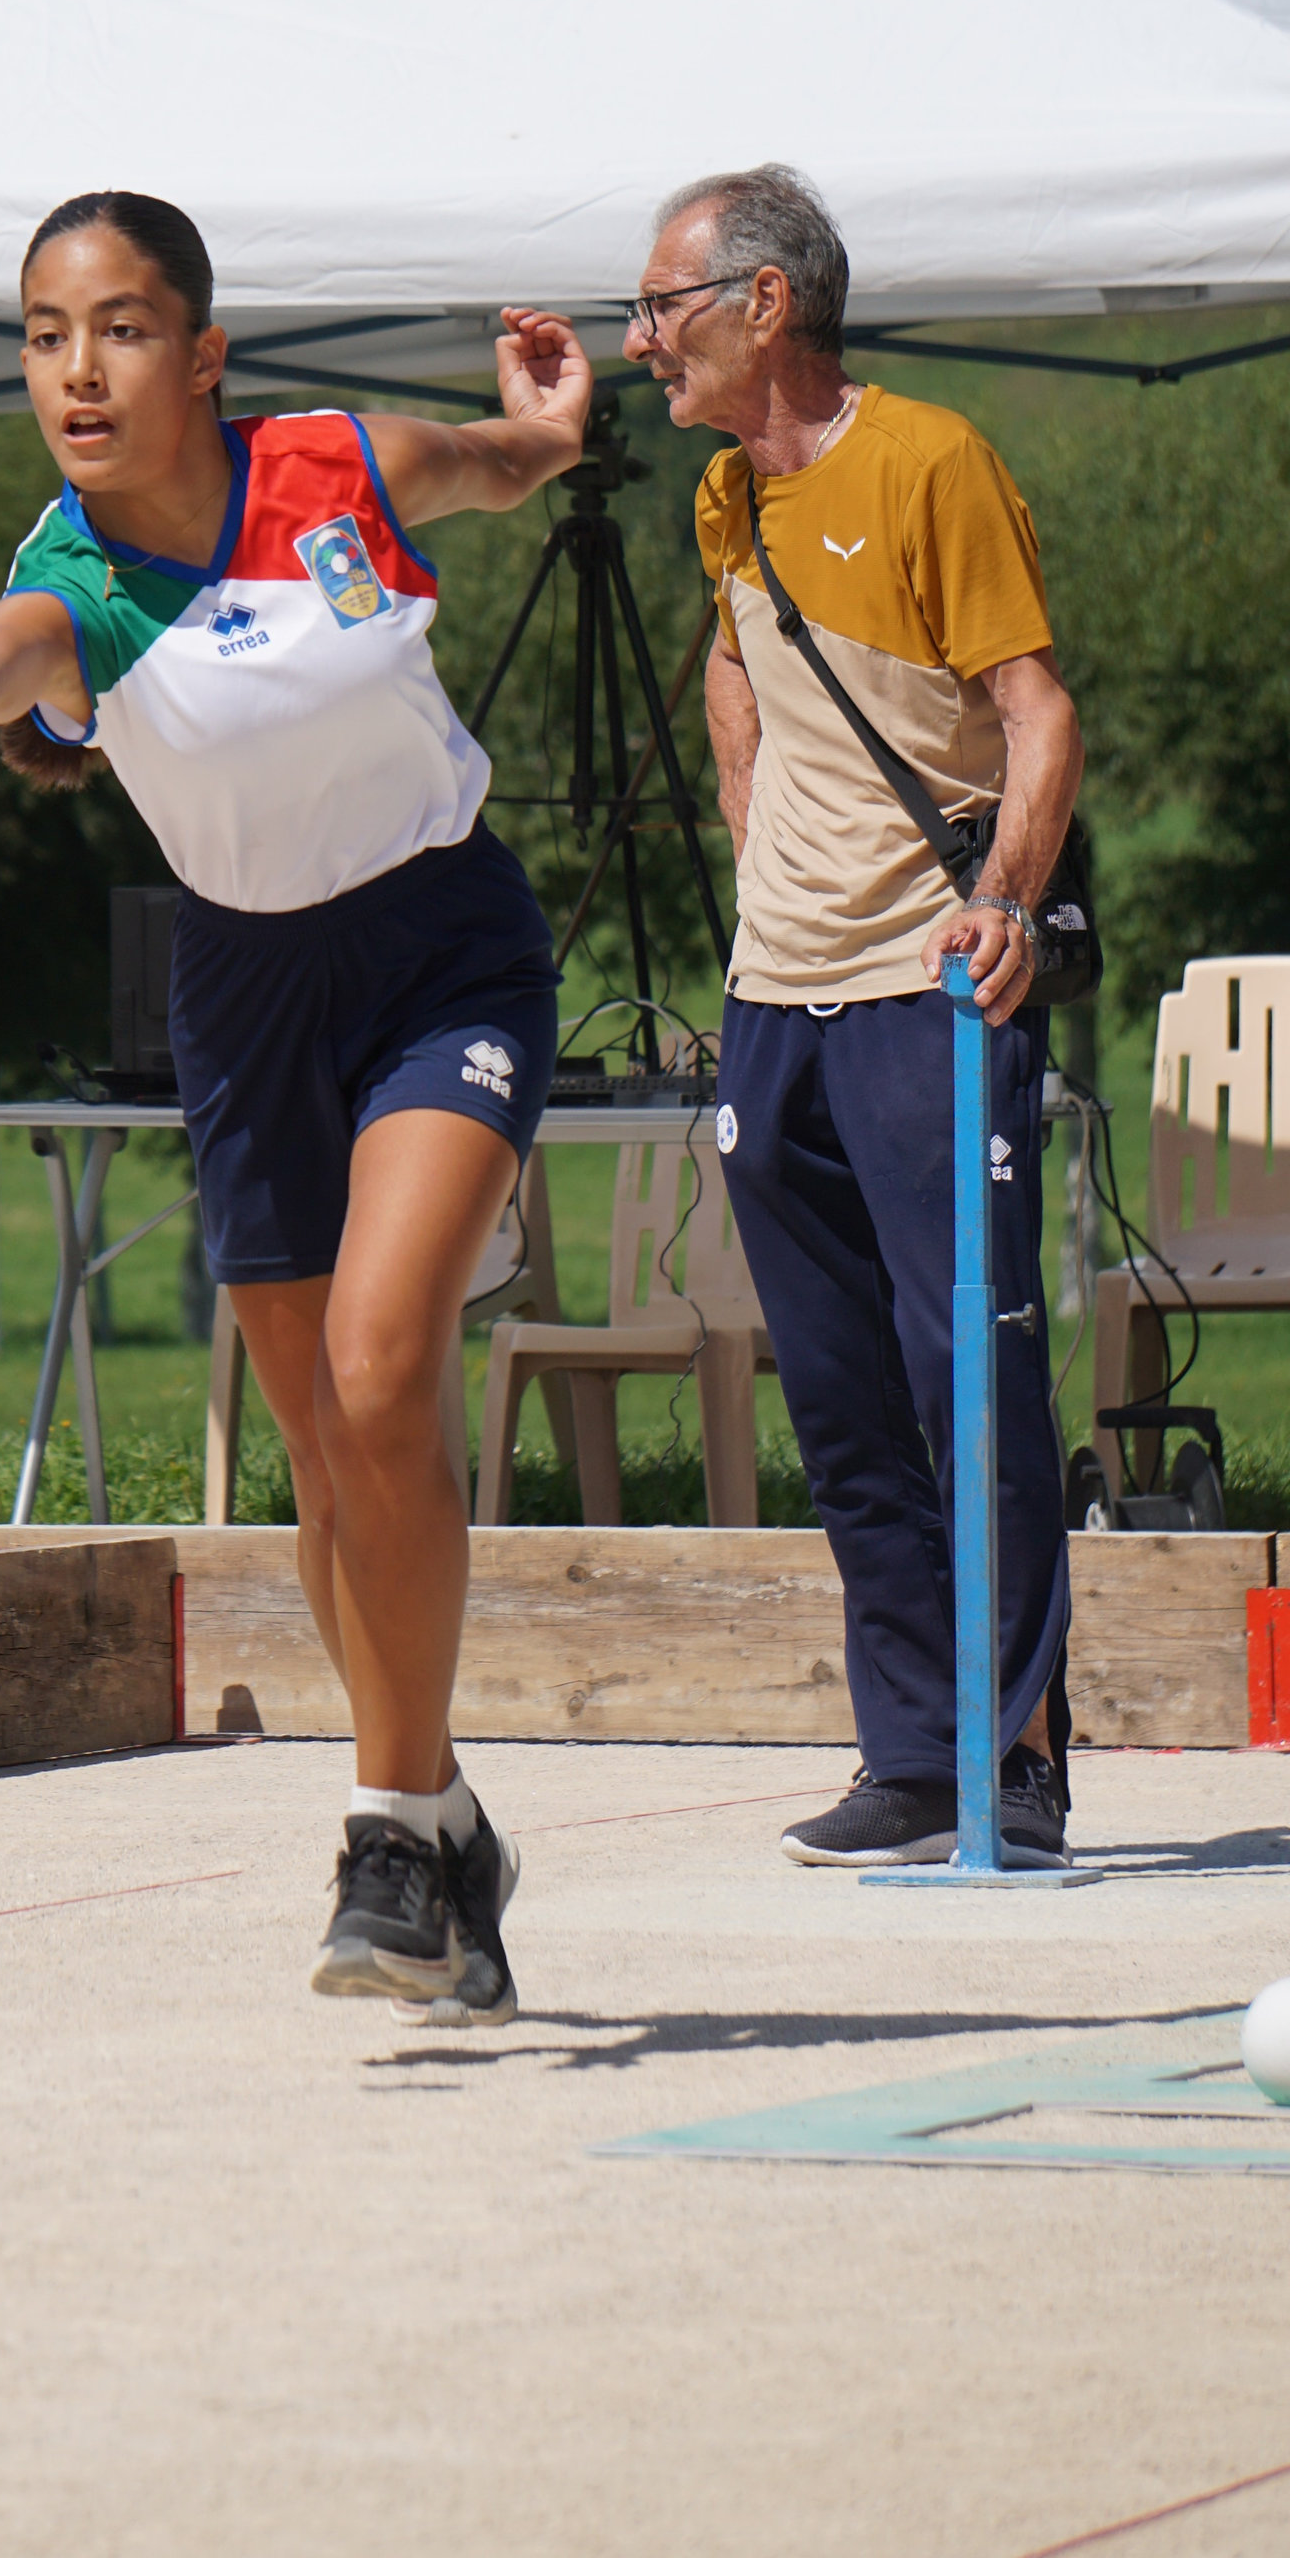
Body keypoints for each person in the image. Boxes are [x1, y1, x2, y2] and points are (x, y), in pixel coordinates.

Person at [0, 189, 591, 2013]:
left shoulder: (341, 468)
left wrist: (552, 429)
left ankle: (384, 1833)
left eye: (123, 328)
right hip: (243, 995)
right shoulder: (72, 575)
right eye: (44, 337)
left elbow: (493, 465)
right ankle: (448, 1832)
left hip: (442, 950)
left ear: (205, 352)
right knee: (329, 1452)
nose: (78, 372)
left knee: (387, 1373)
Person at [623, 164, 1083, 1868]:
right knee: (836, 1391)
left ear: (765, 305)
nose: (638, 338)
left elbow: (1037, 716)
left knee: (970, 1369)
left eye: (661, 304)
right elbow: (737, 669)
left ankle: (1015, 1752)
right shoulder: (723, 496)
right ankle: (910, 1752)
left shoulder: (930, 461)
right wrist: (761, 864)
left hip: (927, 985)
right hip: (777, 994)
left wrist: (1006, 902)